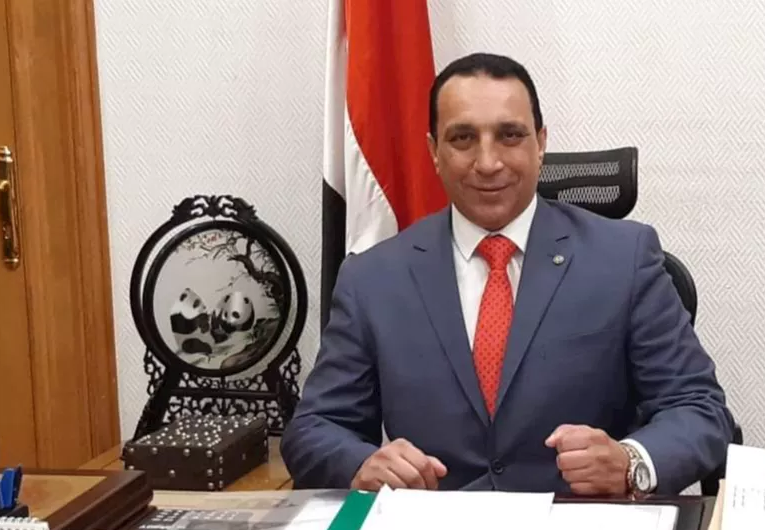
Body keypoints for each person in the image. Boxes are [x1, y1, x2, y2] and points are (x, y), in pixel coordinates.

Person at [281, 52, 735, 495]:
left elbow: (699, 408)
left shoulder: (624, 257)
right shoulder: (373, 278)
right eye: (462, 138)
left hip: (580, 523)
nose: (488, 162)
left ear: (540, 144)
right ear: (434, 151)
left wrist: (631, 463)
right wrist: (362, 464)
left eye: (510, 136)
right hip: (434, 528)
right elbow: (315, 428)